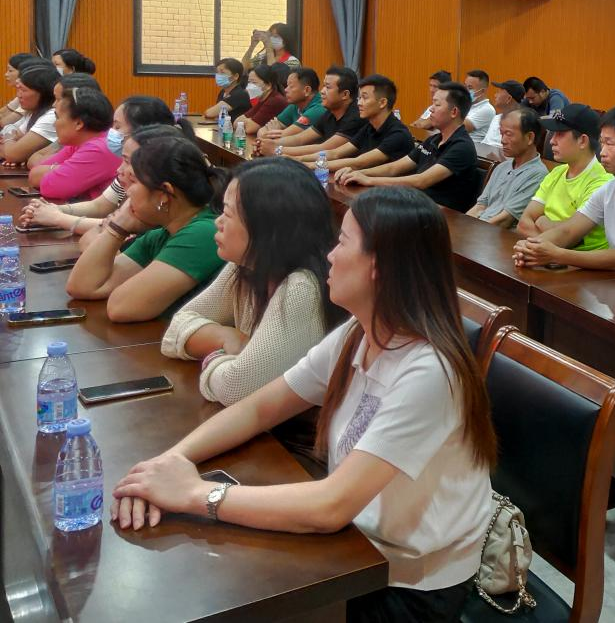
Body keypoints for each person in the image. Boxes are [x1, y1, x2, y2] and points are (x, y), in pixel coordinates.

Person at [111, 188, 497, 623]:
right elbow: (259, 409)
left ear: (379, 266)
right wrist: (169, 463)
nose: (330, 255)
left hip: (407, 583)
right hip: (356, 546)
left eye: (343, 242)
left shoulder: (429, 372)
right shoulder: (358, 332)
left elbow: (330, 506)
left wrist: (193, 493)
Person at [161, 157, 342, 405]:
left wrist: (212, 357)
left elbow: (235, 388)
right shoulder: (245, 266)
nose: (217, 222)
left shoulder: (301, 287)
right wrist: (226, 338)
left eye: (227, 213)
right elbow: (175, 328)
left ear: (266, 226)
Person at [67, 134, 227, 322]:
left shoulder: (203, 233)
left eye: (134, 181)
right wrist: (117, 229)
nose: (127, 192)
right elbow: (81, 286)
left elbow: (121, 307)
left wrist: (119, 224)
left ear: (164, 193)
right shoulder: (163, 233)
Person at [513, 105, 615, 275]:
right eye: (602, 142)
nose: (602, 152)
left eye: (610, 143)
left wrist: (557, 255)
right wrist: (531, 248)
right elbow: (568, 231)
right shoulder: (608, 189)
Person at [20, 98, 188, 246]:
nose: (110, 132)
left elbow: (129, 227)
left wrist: (58, 218)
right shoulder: (129, 168)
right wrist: (54, 210)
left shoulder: (156, 175)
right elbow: (100, 205)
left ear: (143, 132)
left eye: (117, 126)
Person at [339, 83, 483, 213]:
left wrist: (368, 180)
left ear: (454, 112)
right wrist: (358, 173)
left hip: (440, 214)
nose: (431, 109)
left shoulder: (461, 147)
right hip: (418, 205)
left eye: (437, 104)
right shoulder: (433, 139)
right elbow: (394, 168)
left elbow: (421, 181)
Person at [516, 103, 612, 246]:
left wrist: (542, 221)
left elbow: (569, 238)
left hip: (579, 259)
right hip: (544, 253)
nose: (552, 141)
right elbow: (523, 224)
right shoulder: (557, 172)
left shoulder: (602, 183)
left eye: (560, 134)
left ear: (582, 141)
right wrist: (545, 243)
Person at [30, 87, 119, 202]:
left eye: (57, 117)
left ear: (78, 123)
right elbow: (34, 174)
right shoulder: (79, 142)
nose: (54, 124)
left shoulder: (100, 148)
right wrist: (63, 169)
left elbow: (52, 188)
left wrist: (61, 169)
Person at [467, 109, 547, 228]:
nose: (502, 140)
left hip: (497, 233)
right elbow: (480, 206)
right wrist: (463, 226)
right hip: (479, 227)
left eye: (509, 134)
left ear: (530, 137)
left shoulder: (538, 175)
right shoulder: (502, 167)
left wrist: (471, 232)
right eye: (501, 133)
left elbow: (504, 220)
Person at [319, 75, 415, 174]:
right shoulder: (369, 127)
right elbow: (336, 153)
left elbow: (359, 163)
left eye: (364, 98)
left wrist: (313, 165)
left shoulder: (398, 134)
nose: (359, 103)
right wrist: (307, 163)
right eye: (359, 98)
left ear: (382, 103)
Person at [278, 67, 364, 159]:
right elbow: (300, 139)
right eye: (323, 86)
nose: (322, 91)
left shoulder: (356, 116)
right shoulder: (330, 113)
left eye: (328, 87)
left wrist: (277, 150)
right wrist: (272, 144)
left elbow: (325, 149)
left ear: (345, 94)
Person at [2, 62, 58, 164]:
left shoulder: (52, 116)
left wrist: (8, 137)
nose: (19, 95)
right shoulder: (34, 111)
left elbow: (13, 155)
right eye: (18, 89)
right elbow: (9, 145)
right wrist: (10, 138)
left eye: (23, 90)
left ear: (43, 93)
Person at [256, 67, 326, 145]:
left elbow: (288, 139)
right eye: (287, 85)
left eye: (291, 86)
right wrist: (271, 135)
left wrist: (271, 135)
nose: (285, 90)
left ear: (307, 90)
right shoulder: (295, 105)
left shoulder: (318, 109)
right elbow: (261, 131)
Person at [477, 80, 525, 162]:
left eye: (498, 92)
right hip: (483, 159)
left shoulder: (519, 122)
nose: (495, 95)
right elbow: (485, 143)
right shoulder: (496, 118)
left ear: (509, 98)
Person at [241, 63, 290, 134]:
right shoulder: (263, 98)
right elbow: (236, 122)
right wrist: (249, 120)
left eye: (254, 82)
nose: (250, 86)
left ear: (268, 85)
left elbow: (250, 128)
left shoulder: (275, 100)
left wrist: (247, 120)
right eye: (249, 82)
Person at [0, 52, 37, 126]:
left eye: (10, 70)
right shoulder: (21, 94)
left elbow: (3, 123)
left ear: (24, 72)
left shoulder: (31, 95)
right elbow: (4, 112)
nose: (6, 74)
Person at [460, 70, 497, 141]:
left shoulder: (487, 109)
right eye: (465, 86)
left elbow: (460, 128)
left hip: (473, 146)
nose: (465, 90)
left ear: (482, 91)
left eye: (470, 88)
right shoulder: (465, 105)